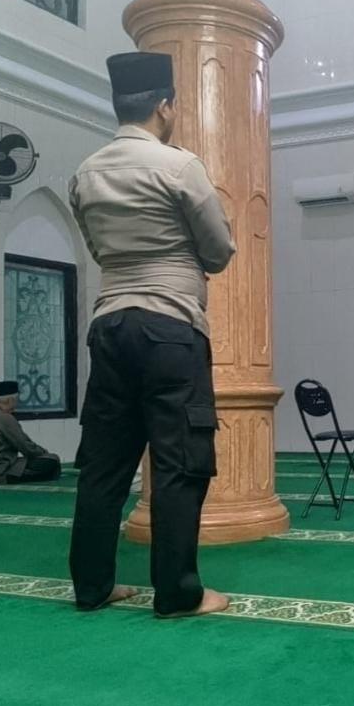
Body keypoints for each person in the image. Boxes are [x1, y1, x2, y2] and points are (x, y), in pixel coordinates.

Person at [68, 51, 235, 618]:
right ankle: (178, 593)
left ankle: (92, 587)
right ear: (164, 107)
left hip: (109, 325)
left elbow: (98, 249)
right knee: (179, 462)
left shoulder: (85, 173)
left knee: (104, 464)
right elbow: (219, 251)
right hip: (170, 327)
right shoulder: (179, 167)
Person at [0, 381, 62, 485]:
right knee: (52, 460)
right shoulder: (5, 418)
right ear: (10, 400)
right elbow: (27, 448)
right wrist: (44, 454)